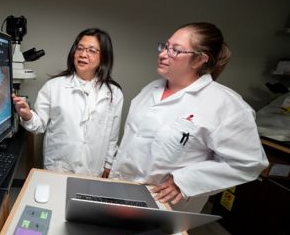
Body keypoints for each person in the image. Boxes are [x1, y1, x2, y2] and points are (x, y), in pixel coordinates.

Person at [110, 22, 268, 212]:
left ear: (200, 59)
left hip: (164, 204)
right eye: (165, 46)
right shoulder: (150, 89)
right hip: (121, 189)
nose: (163, 54)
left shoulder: (227, 106)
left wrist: (184, 182)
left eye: (175, 50)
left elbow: (249, 163)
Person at [13, 28, 124, 177]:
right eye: (80, 48)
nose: (83, 54)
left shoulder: (114, 93)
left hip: (93, 168)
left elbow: (112, 135)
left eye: (91, 50)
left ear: (103, 57)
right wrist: (27, 115)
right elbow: (38, 125)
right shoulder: (54, 86)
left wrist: (109, 164)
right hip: (58, 168)